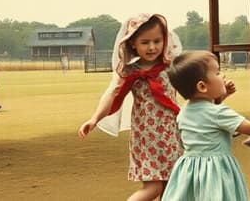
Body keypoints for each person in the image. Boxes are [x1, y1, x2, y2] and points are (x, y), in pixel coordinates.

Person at [78, 13, 184, 201]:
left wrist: (220, 94)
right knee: (153, 187)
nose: (152, 47)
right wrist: (95, 118)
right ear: (133, 43)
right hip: (146, 137)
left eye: (157, 41)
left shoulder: (171, 67)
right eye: (145, 42)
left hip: (172, 134)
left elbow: (195, 90)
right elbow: (112, 94)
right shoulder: (130, 71)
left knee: (172, 187)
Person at [161, 51, 250, 201]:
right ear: (202, 86)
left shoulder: (184, 110)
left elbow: (204, 117)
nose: (222, 76)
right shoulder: (218, 112)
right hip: (216, 171)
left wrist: (222, 96)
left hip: (190, 170)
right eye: (217, 73)